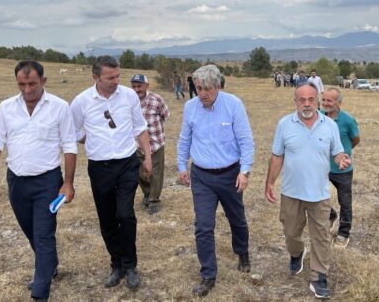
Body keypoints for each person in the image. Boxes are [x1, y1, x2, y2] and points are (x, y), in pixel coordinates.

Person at [0, 61, 78, 302]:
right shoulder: (5, 108)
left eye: (32, 84)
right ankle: (50, 266)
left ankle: (40, 292)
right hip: (17, 181)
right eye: (22, 85)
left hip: (47, 182)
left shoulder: (59, 107)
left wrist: (68, 183)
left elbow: (69, 146)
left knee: (44, 234)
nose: (27, 90)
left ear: (43, 81)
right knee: (31, 232)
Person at [70, 56, 152, 290]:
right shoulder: (81, 102)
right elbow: (74, 131)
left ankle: (130, 265)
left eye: (118, 76)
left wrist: (147, 156)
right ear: (95, 77)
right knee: (107, 219)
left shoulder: (128, 96)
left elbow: (140, 127)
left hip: (127, 163)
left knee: (125, 214)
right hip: (100, 167)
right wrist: (94, 141)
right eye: (110, 78)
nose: (116, 81)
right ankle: (116, 265)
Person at [265, 83, 350, 299]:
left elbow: (337, 151)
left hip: (319, 194)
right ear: (295, 102)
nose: (306, 104)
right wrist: (269, 183)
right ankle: (296, 253)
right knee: (291, 232)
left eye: (311, 99)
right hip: (291, 192)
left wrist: (341, 159)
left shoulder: (329, 125)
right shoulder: (284, 124)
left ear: (317, 101)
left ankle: (319, 276)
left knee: (320, 235)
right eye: (302, 100)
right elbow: (277, 156)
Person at [177, 64, 255, 297]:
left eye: (208, 89)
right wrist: (182, 166)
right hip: (201, 176)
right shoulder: (190, 107)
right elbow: (184, 140)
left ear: (218, 86)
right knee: (203, 226)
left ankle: (242, 252)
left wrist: (245, 171)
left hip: (230, 174)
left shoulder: (233, 105)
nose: (203, 93)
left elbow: (246, 141)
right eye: (199, 88)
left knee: (236, 219)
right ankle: (208, 274)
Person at [321, 88, 360, 248]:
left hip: (343, 170)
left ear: (339, 103)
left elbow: (355, 139)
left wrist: (344, 153)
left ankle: (343, 234)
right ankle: (331, 215)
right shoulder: (319, 116)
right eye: (323, 100)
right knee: (317, 196)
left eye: (329, 101)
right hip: (322, 167)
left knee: (345, 201)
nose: (325, 104)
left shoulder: (347, 120)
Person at [130, 74, 170, 215]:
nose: (136, 89)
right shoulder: (128, 101)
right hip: (136, 145)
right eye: (134, 86)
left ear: (146, 86)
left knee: (155, 174)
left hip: (155, 143)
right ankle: (147, 194)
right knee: (140, 173)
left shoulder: (156, 99)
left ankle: (154, 200)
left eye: (139, 86)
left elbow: (166, 114)